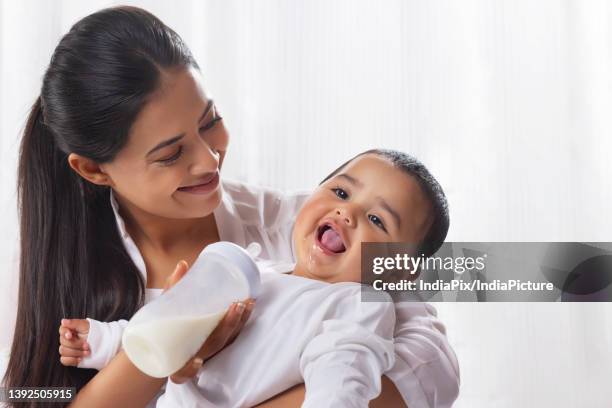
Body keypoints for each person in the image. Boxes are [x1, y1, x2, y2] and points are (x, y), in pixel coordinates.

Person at [3, 6, 459, 408]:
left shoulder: (299, 228)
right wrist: (166, 345)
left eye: (210, 121)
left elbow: (431, 365)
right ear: (94, 170)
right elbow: (32, 395)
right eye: (171, 154)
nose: (209, 160)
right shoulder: (46, 268)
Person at [60, 149, 450, 407]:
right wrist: (102, 339)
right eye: (342, 192)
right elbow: (169, 330)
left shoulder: (356, 306)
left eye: (378, 220)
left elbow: (344, 370)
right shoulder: (258, 273)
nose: (348, 214)